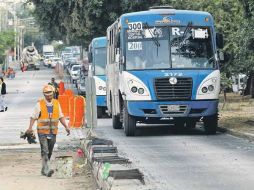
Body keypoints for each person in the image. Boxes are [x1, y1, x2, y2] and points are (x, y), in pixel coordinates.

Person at [26, 85, 70, 177]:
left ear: (53, 94)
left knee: (49, 151)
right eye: (47, 96)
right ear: (44, 95)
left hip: (53, 132)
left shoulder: (57, 104)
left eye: (50, 95)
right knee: (45, 150)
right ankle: (47, 170)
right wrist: (30, 128)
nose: (49, 97)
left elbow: (60, 116)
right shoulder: (39, 104)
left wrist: (66, 126)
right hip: (42, 132)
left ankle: (44, 168)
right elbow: (33, 117)